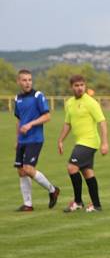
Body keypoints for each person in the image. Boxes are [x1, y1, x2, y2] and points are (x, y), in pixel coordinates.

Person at [56, 75, 109, 212]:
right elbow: (68, 123)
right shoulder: (69, 103)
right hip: (80, 141)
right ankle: (96, 205)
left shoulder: (91, 102)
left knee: (72, 167)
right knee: (87, 172)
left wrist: (105, 143)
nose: (80, 88)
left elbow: (102, 122)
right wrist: (61, 140)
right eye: (76, 85)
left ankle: (78, 202)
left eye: (82, 85)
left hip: (90, 142)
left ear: (85, 86)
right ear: (71, 87)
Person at [13, 69, 60, 211]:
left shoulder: (38, 95)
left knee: (28, 168)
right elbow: (19, 120)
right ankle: (28, 204)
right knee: (21, 171)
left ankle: (53, 190)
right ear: (19, 81)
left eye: (29, 80)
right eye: (24, 80)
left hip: (35, 139)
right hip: (22, 140)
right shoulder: (17, 98)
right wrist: (17, 140)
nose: (27, 83)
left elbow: (47, 116)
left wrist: (31, 124)